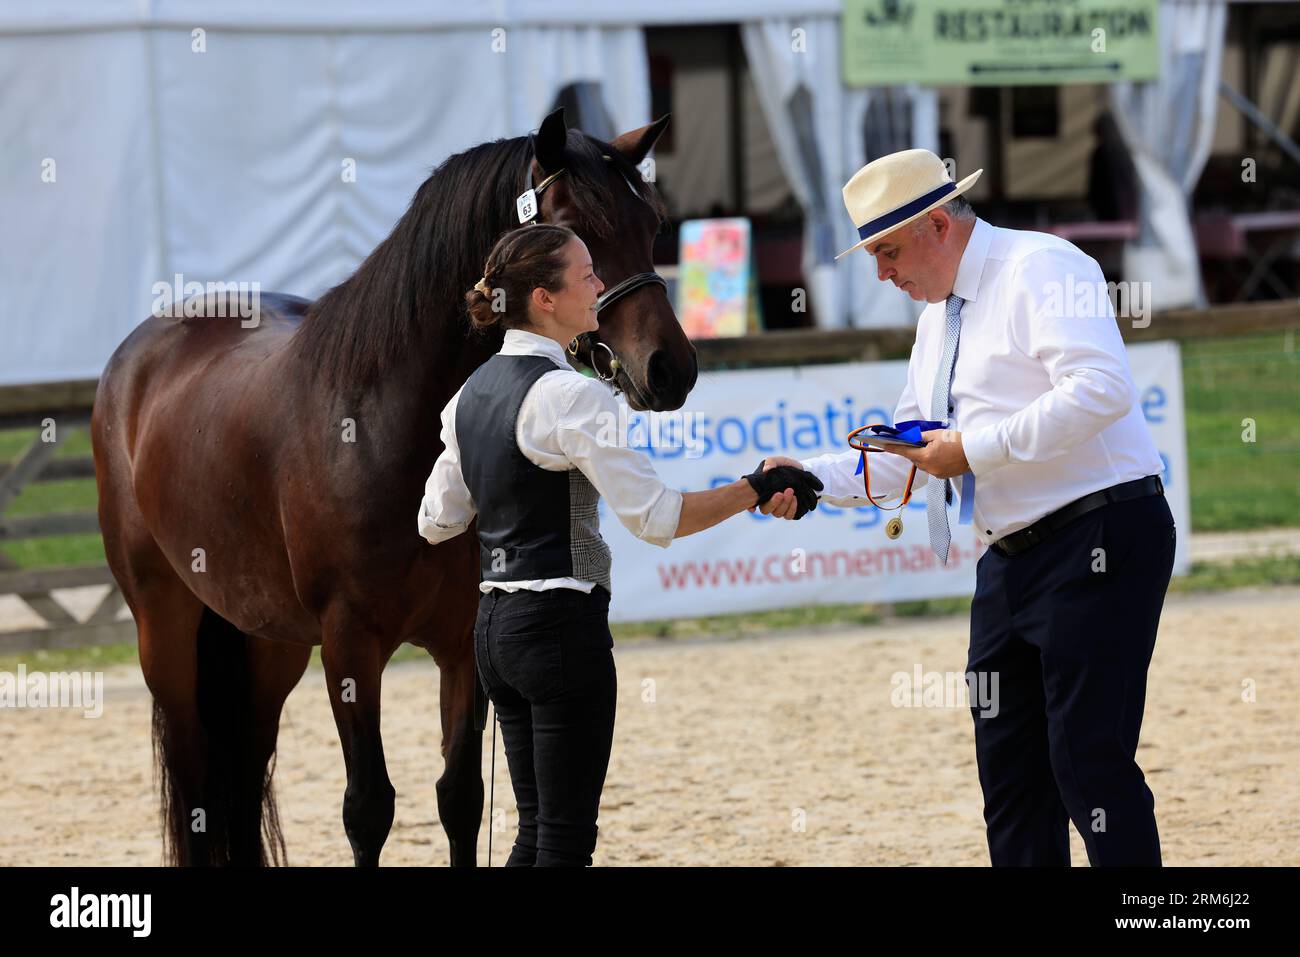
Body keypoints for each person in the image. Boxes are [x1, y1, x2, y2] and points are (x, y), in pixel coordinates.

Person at [761, 149, 1175, 867]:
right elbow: (909, 451)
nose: (881, 273)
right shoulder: (937, 319)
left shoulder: (1040, 267)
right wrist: (812, 478)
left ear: (937, 225)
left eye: (887, 251)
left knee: (1088, 764)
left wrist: (973, 449)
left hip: (1100, 532)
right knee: (1010, 783)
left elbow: (1101, 390)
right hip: (1010, 557)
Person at [417, 223, 821, 866]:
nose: (602, 284)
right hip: (558, 627)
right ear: (545, 299)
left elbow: (436, 518)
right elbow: (658, 519)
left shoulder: (468, 396)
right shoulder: (572, 396)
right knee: (565, 839)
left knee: (535, 832)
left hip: (493, 630)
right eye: (586, 276)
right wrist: (755, 486)